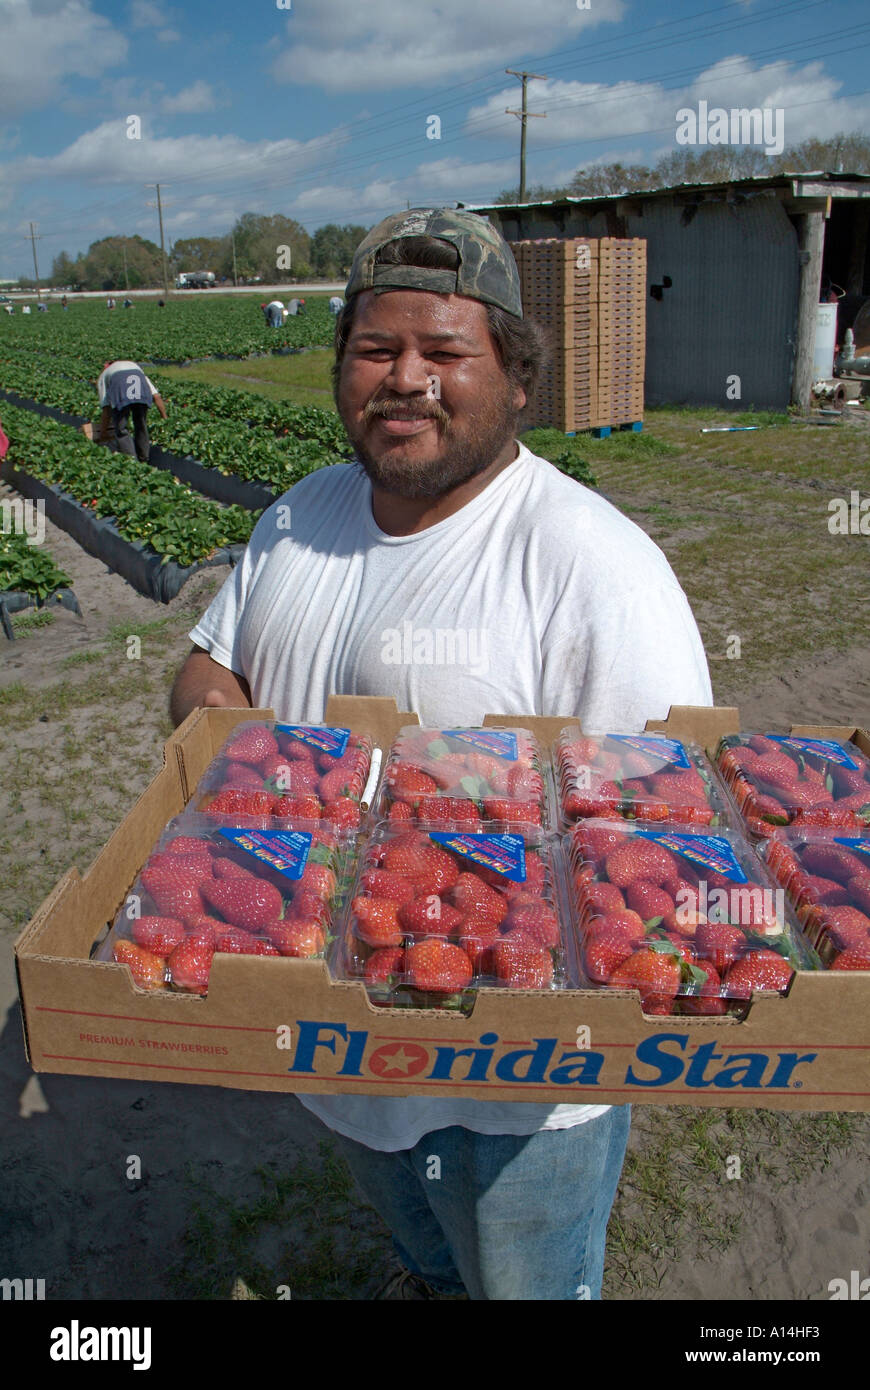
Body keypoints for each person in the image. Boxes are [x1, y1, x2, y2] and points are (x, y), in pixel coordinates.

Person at [169, 207, 712, 1302]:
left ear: (517, 378)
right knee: (417, 1239)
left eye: (446, 351)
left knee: (523, 1279)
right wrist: (246, 756)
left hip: (515, 1076)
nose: (404, 377)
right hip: (337, 1031)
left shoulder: (591, 567)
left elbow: (660, 839)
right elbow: (204, 671)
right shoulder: (298, 518)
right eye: (376, 348)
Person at [96, 359, 167, 462]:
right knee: (141, 424)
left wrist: (103, 432)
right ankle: (144, 457)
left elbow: (106, 409)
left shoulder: (104, 375)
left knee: (121, 430)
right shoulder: (135, 367)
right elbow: (156, 396)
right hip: (140, 389)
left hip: (120, 389)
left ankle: (132, 461)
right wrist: (165, 418)